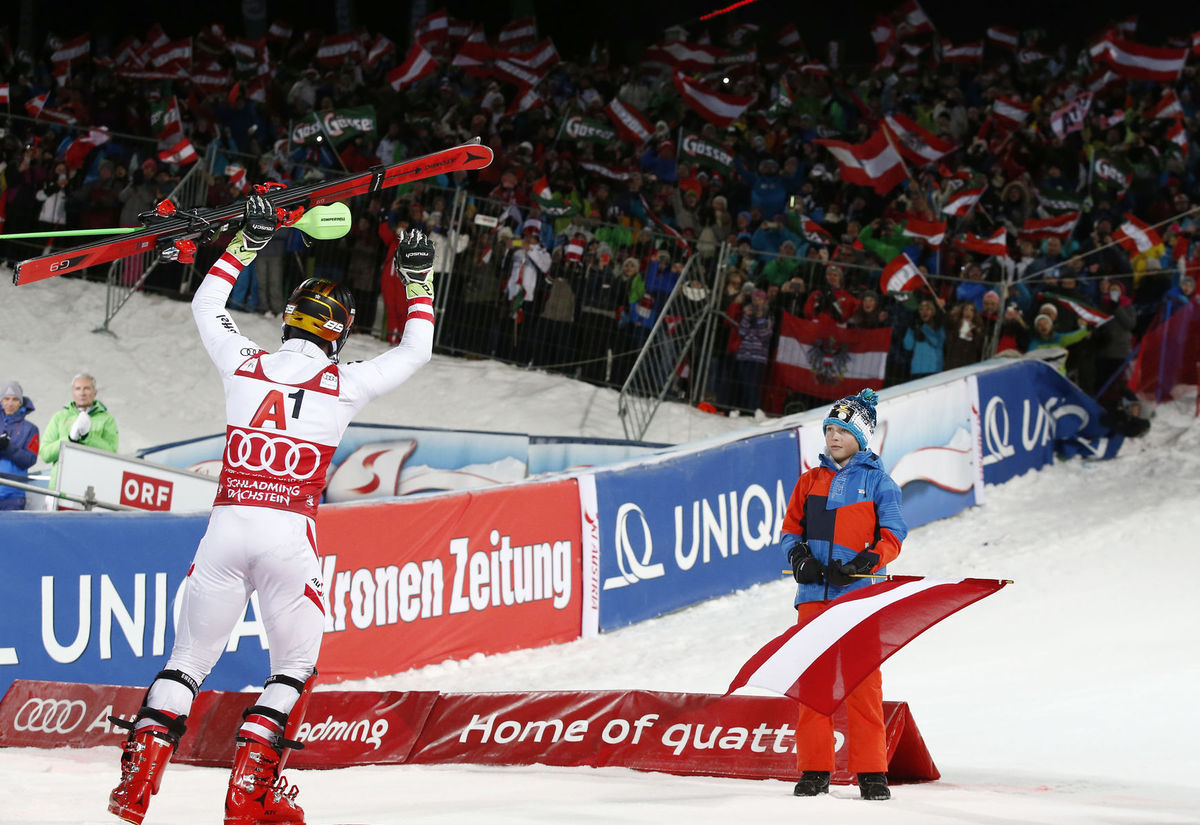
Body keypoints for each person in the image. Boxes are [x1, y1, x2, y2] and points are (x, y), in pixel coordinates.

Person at [107, 196, 438, 825]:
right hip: (289, 537)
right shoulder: (345, 383)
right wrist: (419, 282)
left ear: (289, 321)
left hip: (226, 529)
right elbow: (416, 351)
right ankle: (250, 794)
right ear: (337, 334)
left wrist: (247, 241)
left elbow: (207, 307)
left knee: (186, 661)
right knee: (292, 667)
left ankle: (137, 781)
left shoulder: (245, 362)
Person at [780, 389, 906, 801]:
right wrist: (799, 557)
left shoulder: (878, 482)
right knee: (814, 681)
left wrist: (868, 561)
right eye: (829, 429)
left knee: (862, 682)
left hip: (859, 599)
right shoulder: (809, 480)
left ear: (861, 436)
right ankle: (814, 768)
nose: (833, 437)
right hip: (814, 595)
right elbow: (789, 531)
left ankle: (872, 771)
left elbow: (893, 535)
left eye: (842, 430)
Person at [38, 373, 119, 489]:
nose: (82, 393)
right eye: (78, 389)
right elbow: (45, 454)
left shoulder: (107, 419)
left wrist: (88, 437)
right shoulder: (59, 417)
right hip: (60, 488)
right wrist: (70, 439)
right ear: (73, 393)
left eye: (87, 388)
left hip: (91, 489)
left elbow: (112, 455)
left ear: (95, 392)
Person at [0, 380, 40, 511]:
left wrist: (9, 448)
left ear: (20, 402)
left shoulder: (30, 429)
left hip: (13, 496)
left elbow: (29, 460)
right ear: (1, 401)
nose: (10, 403)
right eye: (6, 399)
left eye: (14, 399)